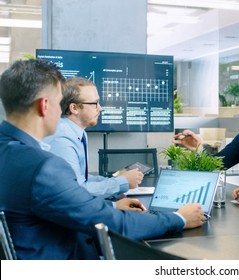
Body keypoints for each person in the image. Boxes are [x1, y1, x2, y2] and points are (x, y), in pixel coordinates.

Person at [0, 59, 206, 260]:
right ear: (45, 106)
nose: (60, 111)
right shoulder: (43, 167)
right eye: (58, 102)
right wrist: (179, 218)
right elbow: (115, 225)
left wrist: (114, 206)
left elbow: (65, 203)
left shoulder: (8, 151)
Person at [44, 77, 143, 198]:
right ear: (74, 108)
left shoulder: (75, 132)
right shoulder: (62, 140)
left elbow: (82, 178)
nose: (100, 108)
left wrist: (113, 183)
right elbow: (77, 191)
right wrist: (122, 182)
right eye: (94, 104)